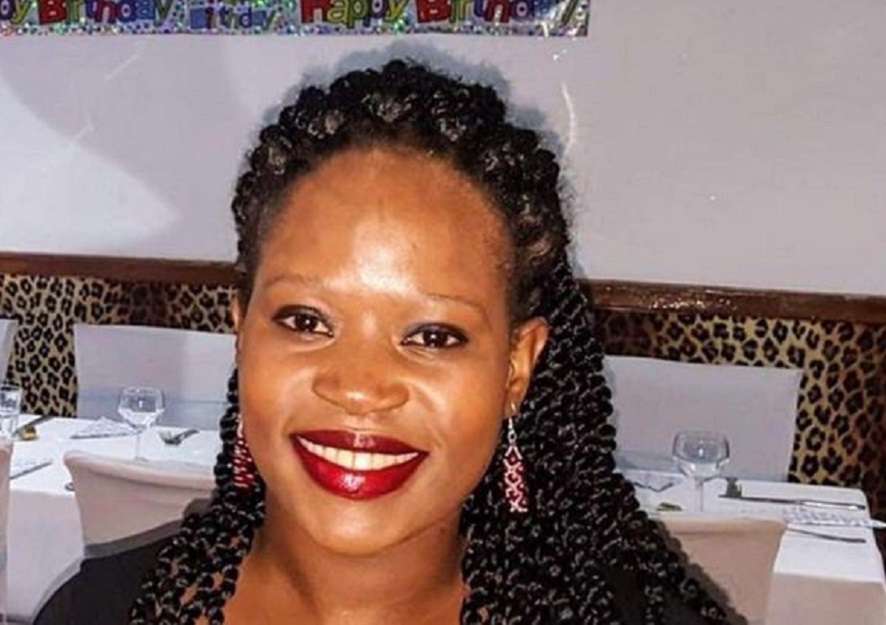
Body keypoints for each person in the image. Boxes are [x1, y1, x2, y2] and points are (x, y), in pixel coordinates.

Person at [38, 59, 734, 625]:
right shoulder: (100, 611)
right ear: (242, 331)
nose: (359, 387)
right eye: (306, 320)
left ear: (516, 367)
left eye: (432, 334)